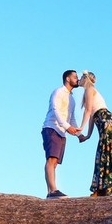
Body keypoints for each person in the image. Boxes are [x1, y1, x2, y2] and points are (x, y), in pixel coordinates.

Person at [77, 71, 112, 196]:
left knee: (108, 152)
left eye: (81, 77)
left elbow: (88, 111)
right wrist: (88, 135)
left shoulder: (90, 89)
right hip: (103, 121)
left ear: (85, 78)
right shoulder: (89, 91)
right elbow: (92, 116)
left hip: (106, 120)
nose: (79, 79)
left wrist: (80, 128)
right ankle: (103, 187)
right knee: (104, 153)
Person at [41, 69, 80, 199]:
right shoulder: (58, 92)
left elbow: (71, 117)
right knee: (51, 159)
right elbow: (55, 109)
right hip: (52, 127)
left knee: (55, 162)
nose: (77, 79)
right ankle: (52, 191)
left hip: (62, 132)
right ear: (68, 79)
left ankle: (50, 192)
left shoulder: (72, 99)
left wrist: (78, 134)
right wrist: (67, 127)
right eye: (75, 77)